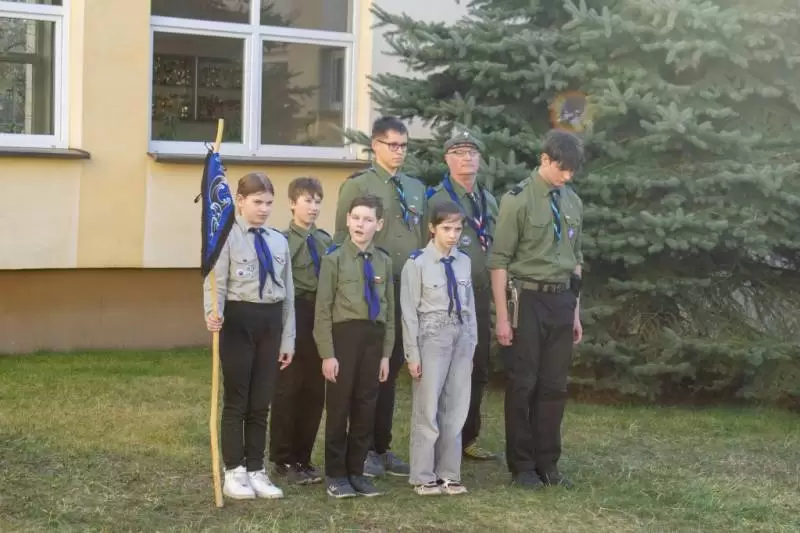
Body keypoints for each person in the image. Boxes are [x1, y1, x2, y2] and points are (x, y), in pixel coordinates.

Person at [488, 129, 585, 490]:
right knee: (524, 384)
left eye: (573, 170)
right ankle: (523, 466)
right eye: (562, 168)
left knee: (554, 386)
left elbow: (576, 260)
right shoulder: (517, 200)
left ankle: (548, 463)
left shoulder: (573, 201)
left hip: (562, 300)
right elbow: (499, 262)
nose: (567, 176)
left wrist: (575, 312)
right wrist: (502, 317)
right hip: (527, 301)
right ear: (545, 159)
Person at [334, 116, 426, 477]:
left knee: (392, 363)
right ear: (375, 146)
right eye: (392, 145)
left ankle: (382, 445)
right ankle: (363, 446)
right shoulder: (358, 185)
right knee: (369, 368)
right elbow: (342, 239)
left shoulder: (414, 187)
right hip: (371, 287)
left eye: (404, 145)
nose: (399, 152)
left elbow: (420, 237)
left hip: (407, 285)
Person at [204, 172, 295, 500]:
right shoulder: (227, 237)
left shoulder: (278, 240)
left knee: (261, 401)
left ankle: (256, 468)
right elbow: (215, 282)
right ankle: (235, 470)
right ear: (240, 201)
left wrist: (288, 338)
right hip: (238, 322)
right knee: (238, 399)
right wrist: (212, 313)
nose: (264, 209)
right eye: (258, 202)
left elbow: (288, 293)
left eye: (269, 203)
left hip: (270, 323)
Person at [315, 193, 395, 498]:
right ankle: (336, 474)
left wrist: (386, 355)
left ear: (379, 224)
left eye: (368, 219)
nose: (361, 224)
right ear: (348, 220)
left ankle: (357, 470)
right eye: (356, 218)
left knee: (365, 406)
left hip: (373, 340)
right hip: (344, 338)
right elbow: (323, 310)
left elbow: (388, 311)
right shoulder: (333, 259)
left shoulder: (384, 261)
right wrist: (327, 354)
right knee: (339, 407)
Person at [426, 130, 499, 461]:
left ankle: (468, 436)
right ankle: (440, 437)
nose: (466, 158)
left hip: (479, 296)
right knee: (445, 367)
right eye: (458, 152)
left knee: (477, 364)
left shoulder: (487, 200)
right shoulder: (437, 199)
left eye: (472, 152)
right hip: (446, 295)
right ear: (447, 159)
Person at [401, 201, 477, 496]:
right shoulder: (417, 263)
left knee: (456, 407)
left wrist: (471, 344)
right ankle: (423, 475)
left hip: (461, 337)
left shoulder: (464, 262)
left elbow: (469, 306)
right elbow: (409, 313)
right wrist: (412, 354)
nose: (453, 235)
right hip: (431, 338)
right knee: (428, 408)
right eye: (447, 228)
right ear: (432, 228)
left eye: (458, 229)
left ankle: (449, 474)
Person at [268, 177, 331, 486]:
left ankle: (303, 458)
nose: (313, 207)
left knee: (315, 392)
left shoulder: (325, 240)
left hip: (320, 316)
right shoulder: (281, 240)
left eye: (318, 201)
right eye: (307, 201)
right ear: (292, 203)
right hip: (293, 314)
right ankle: (282, 459)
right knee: (288, 389)